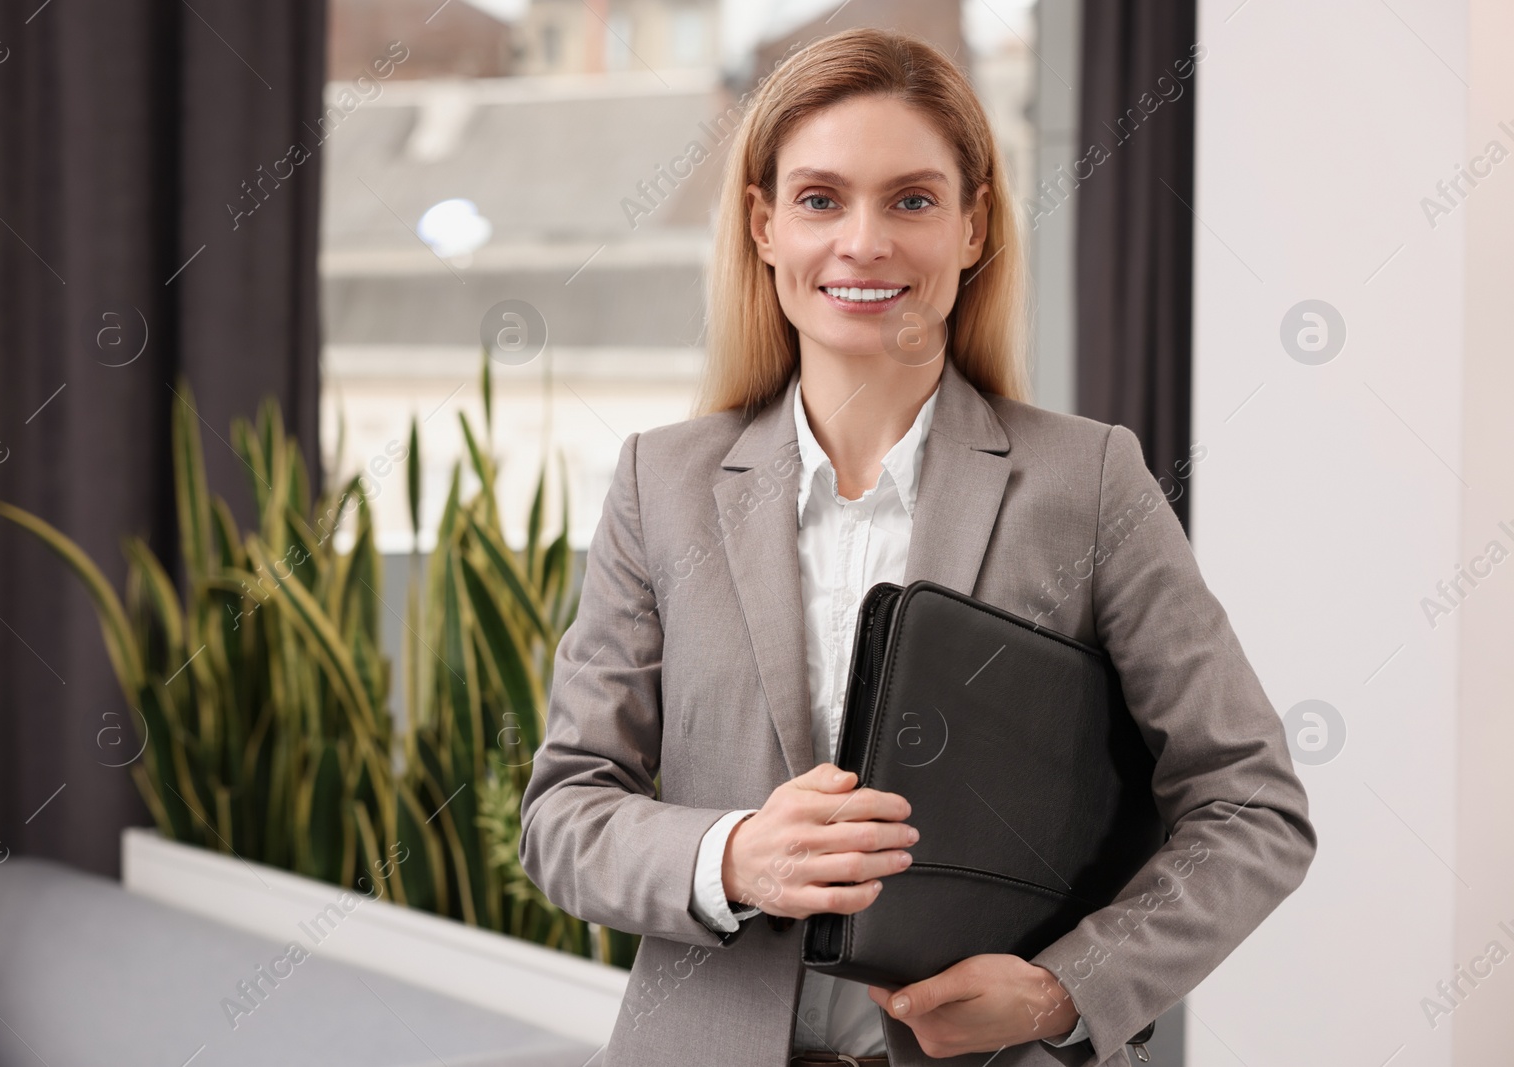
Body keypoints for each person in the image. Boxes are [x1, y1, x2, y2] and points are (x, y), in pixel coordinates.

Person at [519, 27, 1316, 1067]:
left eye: (911, 199)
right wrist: (733, 854)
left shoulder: (1087, 483)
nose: (863, 242)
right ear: (762, 225)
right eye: (818, 199)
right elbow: (564, 814)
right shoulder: (657, 485)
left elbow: (1250, 804)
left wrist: (1057, 990)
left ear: (974, 224)